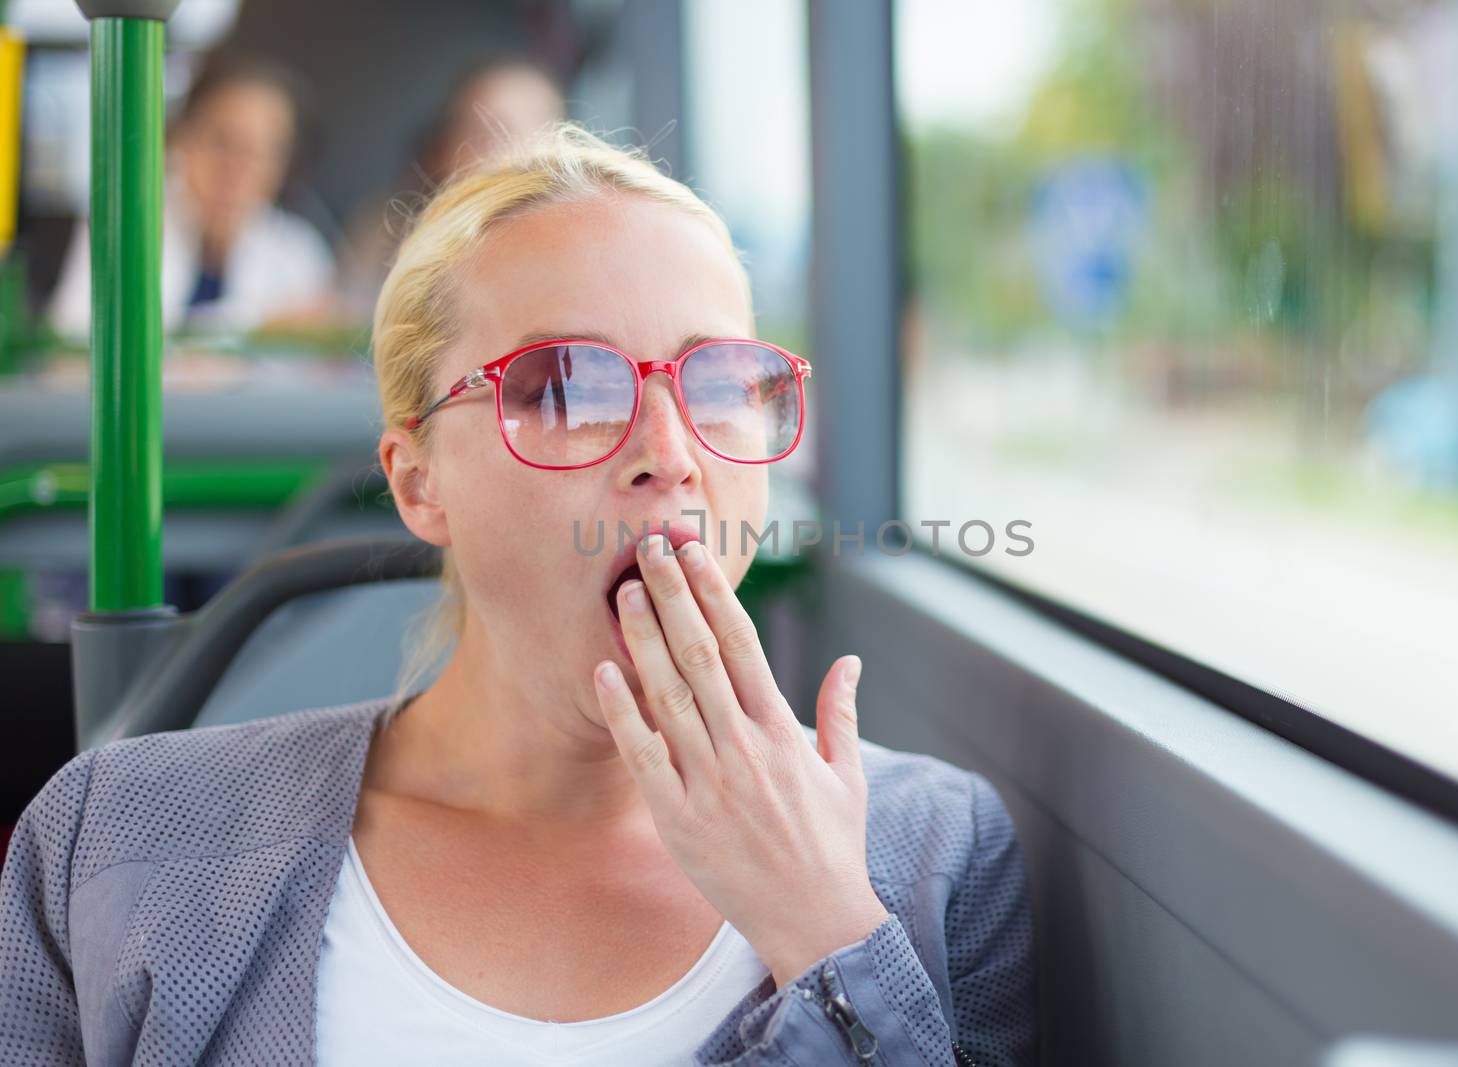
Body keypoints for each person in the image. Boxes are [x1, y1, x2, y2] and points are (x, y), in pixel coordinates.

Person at [0, 122, 1037, 1065]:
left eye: (719, 381)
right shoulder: (118, 843)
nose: (670, 454)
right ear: (419, 481)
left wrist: (824, 928)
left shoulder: (932, 858)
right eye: (567, 388)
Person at [46, 53, 336, 338]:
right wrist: (260, 327)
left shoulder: (299, 254)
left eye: (264, 152)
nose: (238, 169)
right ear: (179, 139)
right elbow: (79, 345)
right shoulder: (123, 227)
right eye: (223, 142)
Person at [336, 55, 566, 323]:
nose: (491, 155)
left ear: (558, 149)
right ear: (444, 146)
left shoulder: (575, 250)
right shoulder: (388, 228)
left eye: (508, 132)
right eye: (476, 133)